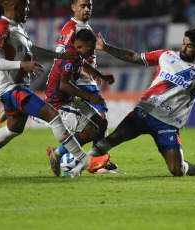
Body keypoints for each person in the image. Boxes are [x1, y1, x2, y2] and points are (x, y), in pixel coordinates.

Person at [69, 28, 195, 177]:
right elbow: (135, 57)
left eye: (190, 46)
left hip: (167, 124)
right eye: (184, 43)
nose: (184, 48)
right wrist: (106, 48)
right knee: (115, 137)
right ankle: (79, 166)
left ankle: (186, 165)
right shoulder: (166, 55)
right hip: (144, 110)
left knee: (176, 171)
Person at [0, 0, 110, 178]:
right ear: (14, 6)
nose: (28, 9)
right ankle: (87, 162)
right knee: (52, 115)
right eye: (25, 6)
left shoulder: (17, 27)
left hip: (20, 87)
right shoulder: (1, 28)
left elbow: (31, 49)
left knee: (13, 129)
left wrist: (60, 55)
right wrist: (22, 64)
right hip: (10, 88)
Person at [46, 0, 118, 173]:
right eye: (83, 6)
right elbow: (64, 58)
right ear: (73, 7)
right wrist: (79, 76)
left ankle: (96, 159)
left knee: (101, 121)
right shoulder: (71, 29)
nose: (86, 9)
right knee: (94, 124)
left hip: (81, 81)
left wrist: (99, 75)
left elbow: (80, 59)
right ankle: (80, 160)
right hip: (74, 85)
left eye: (89, 6)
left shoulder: (84, 29)